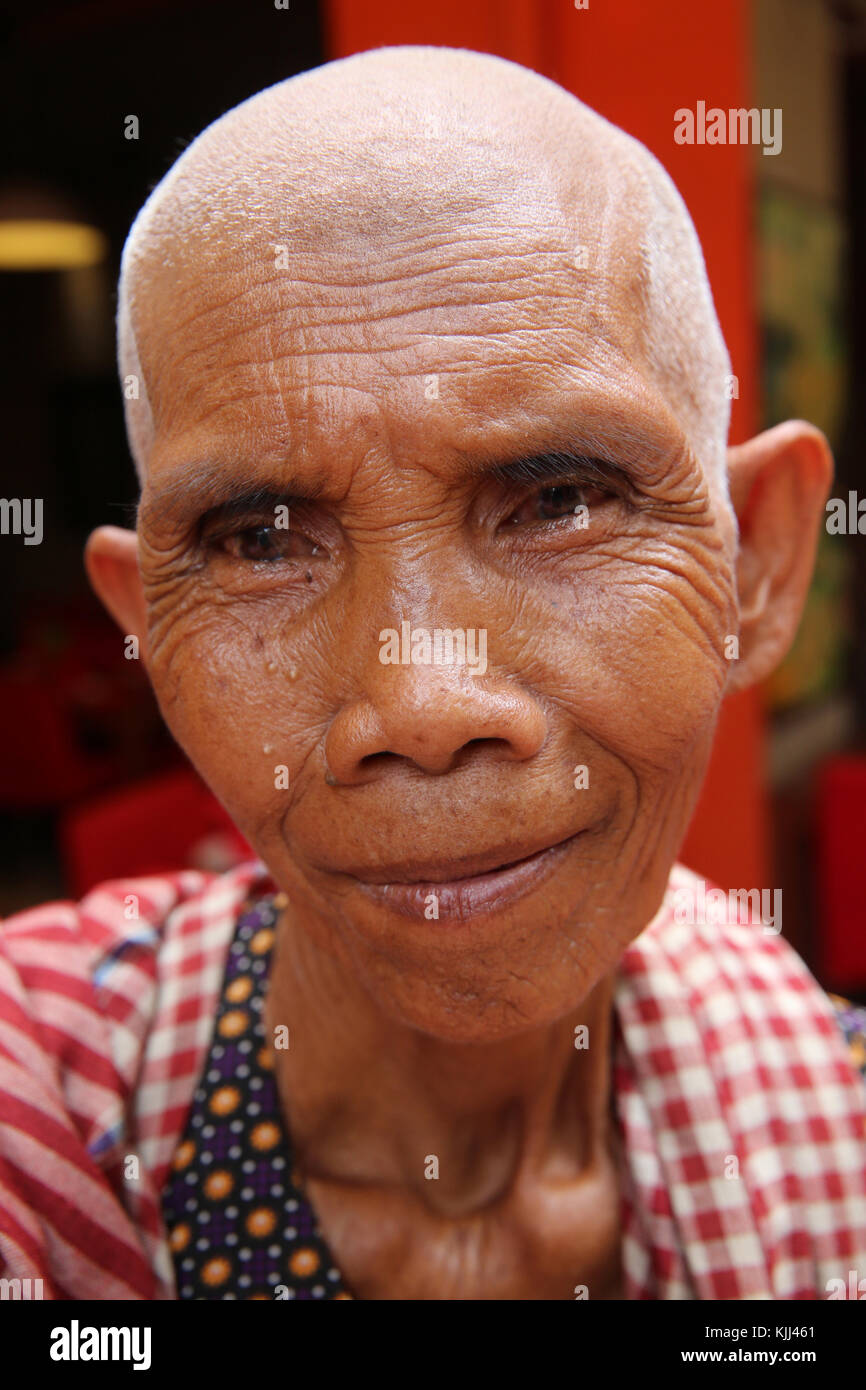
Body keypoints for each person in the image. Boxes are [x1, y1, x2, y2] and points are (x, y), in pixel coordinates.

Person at [1, 45, 864, 1301]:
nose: (417, 707)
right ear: (149, 633)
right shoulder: (46, 1133)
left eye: (560, 501)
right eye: (261, 542)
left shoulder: (824, 1127)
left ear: (758, 565)